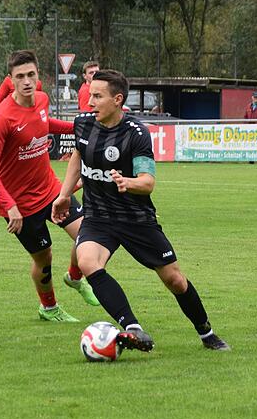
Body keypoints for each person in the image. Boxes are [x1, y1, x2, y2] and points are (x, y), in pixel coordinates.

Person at [52, 69, 230, 352]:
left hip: (135, 218)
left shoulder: (136, 133)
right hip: (98, 216)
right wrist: (64, 195)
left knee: (175, 279)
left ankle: (206, 332)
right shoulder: (83, 124)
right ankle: (132, 327)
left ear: (117, 99)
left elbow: (148, 183)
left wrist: (128, 182)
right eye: (90, 94)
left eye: (97, 96)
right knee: (87, 262)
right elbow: (78, 155)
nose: (90, 102)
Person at [0, 50, 100, 322]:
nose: (26, 81)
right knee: (44, 258)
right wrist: (10, 206)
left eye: (30, 75)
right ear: (10, 80)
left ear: (38, 76)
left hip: (51, 191)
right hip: (21, 206)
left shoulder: (43, 100)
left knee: (89, 234)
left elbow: (45, 125)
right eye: (19, 76)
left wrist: (78, 127)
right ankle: (49, 307)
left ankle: (74, 276)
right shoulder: (2, 118)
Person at [0, 76, 44, 201]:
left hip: (27, 125)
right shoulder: (8, 81)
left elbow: (36, 103)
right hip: (10, 126)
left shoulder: (38, 84)